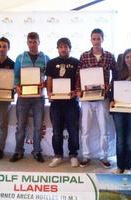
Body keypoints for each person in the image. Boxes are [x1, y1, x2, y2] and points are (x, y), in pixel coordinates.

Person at [76, 28, 116, 168]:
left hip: (102, 98)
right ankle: (86, 156)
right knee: (85, 129)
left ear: (102, 39)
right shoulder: (84, 56)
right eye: (94, 38)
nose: (96, 41)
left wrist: (109, 86)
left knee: (104, 129)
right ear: (91, 40)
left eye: (99, 38)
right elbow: (78, 75)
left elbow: (115, 75)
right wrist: (78, 90)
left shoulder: (109, 56)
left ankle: (103, 156)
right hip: (86, 98)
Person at [10, 32, 49, 163]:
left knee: (38, 126)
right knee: (21, 126)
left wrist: (45, 84)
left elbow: (49, 77)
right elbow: (16, 76)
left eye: (35, 42)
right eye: (30, 42)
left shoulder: (45, 58)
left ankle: (37, 151)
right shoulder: (20, 58)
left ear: (39, 42)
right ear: (27, 43)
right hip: (23, 97)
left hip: (39, 97)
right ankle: (18, 151)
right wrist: (17, 87)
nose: (32, 45)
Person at [46, 38, 80, 167]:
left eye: (65, 47)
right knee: (57, 130)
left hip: (71, 102)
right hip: (56, 102)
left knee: (73, 129)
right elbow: (49, 78)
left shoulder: (76, 62)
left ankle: (73, 154)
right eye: (60, 47)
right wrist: (49, 92)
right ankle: (58, 155)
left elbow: (79, 80)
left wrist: (76, 91)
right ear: (58, 49)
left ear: (70, 48)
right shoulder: (51, 63)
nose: (63, 49)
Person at [110, 48, 131, 174]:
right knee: (120, 139)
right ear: (124, 59)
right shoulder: (118, 73)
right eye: (127, 57)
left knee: (130, 140)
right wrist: (111, 100)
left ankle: (127, 166)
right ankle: (119, 166)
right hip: (119, 109)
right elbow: (112, 88)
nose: (130, 59)